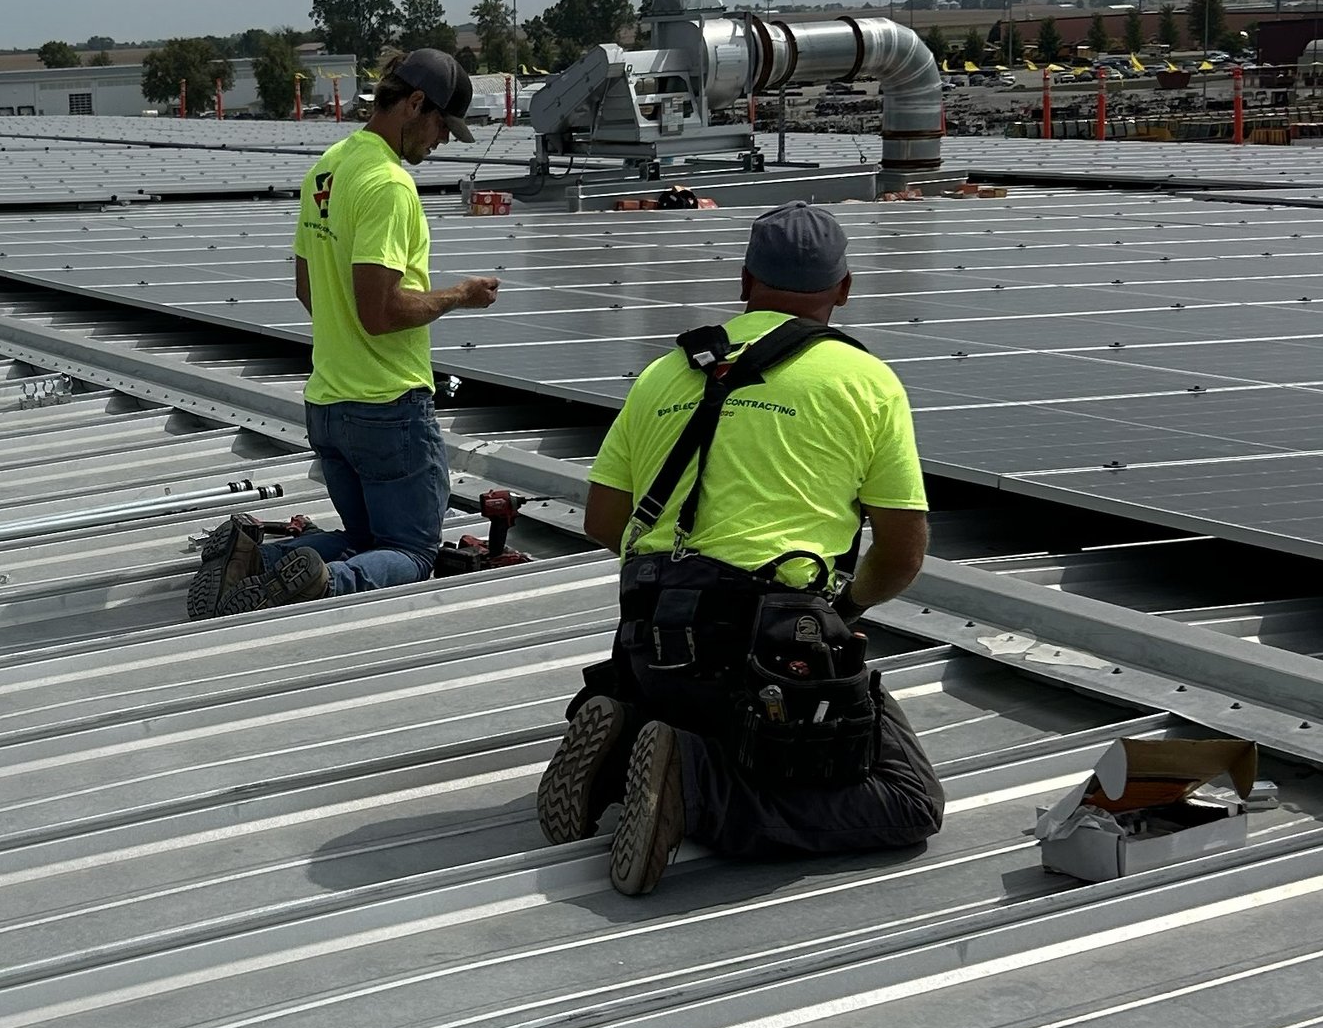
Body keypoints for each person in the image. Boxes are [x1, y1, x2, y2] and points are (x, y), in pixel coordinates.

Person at [537, 198, 944, 896]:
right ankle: (693, 785)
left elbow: (605, 521)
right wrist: (845, 607)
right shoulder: (866, 380)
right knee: (908, 799)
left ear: (745, 281)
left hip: (648, 648)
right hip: (770, 661)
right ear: (843, 290)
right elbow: (903, 553)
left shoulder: (665, 371)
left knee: (707, 711)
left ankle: (632, 731)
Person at [188, 44, 499, 617]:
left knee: (364, 543)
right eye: (440, 127)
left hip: (327, 405)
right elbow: (378, 314)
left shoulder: (327, 168)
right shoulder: (388, 184)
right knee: (409, 550)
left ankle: (253, 561)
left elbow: (307, 290)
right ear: (414, 104)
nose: (441, 142)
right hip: (387, 407)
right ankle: (320, 585)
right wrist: (459, 295)